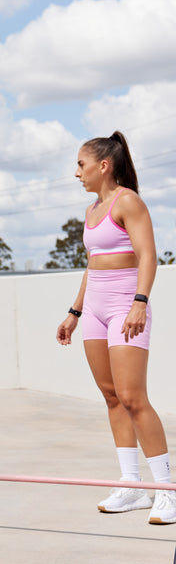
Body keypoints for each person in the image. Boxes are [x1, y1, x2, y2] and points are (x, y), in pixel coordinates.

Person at [56, 131, 175, 524]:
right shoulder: (92, 210)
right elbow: (94, 265)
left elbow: (148, 256)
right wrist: (74, 312)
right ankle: (132, 485)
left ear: (103, 165)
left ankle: (166, 491)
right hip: (94, 309)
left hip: (127, 305)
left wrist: (140, 302)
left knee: (133, 396)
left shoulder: (129, 202)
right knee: (110, 396)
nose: (77, 173)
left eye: (81, 164)